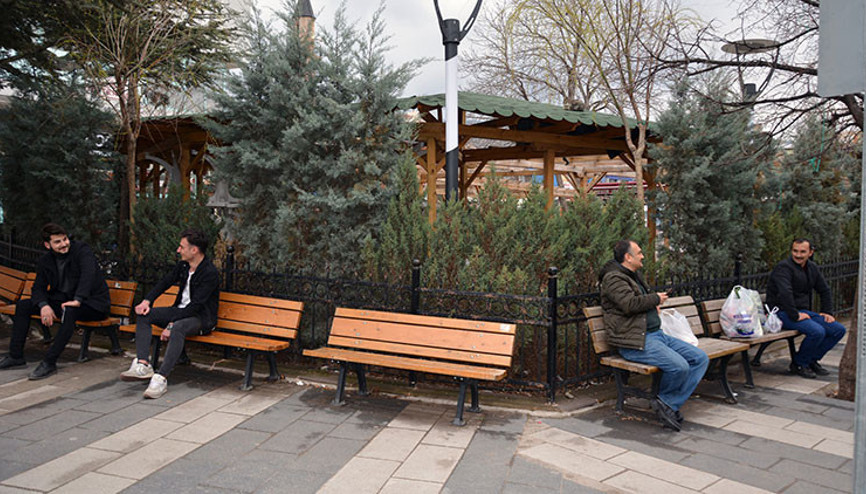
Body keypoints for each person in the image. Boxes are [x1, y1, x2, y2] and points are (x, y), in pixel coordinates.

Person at [599, 239, 709, 431]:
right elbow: (629, 304)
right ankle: (666, 404)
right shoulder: (613, 278)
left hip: (656, 335)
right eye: (639, 253)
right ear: (628, 257)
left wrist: (654, 304)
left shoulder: (632, 275)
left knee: (700, 358)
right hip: (636, 341)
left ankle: (667, 403)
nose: (642, 256)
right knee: (679, 366)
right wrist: (655, 298)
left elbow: (639, 302)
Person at [0, 223, 110, 379]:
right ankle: (15, 356)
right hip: (64, 301)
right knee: (24, 305)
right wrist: (43, 305)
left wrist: (78, 299)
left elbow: (88, 275)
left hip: (92, 303)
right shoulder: (46, 260)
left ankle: (49, 362)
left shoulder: (81, 251)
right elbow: (38, 288)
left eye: (65, 239)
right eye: (57, 242)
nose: (64, 244)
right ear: (47, 245)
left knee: (70, 311)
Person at [121, 229, 219, 399]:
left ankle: (161, 378)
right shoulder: (183, 266)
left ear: (194, 250)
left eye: (182, 247)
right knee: (145, 315)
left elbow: (195, 306)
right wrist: (147, 301)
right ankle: (143, 364)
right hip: (179, 312)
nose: (178, 250)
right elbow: (164, 283)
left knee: (179, 327)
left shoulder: (209, 273)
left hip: (200, 318)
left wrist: (171, 324)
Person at [766, 238, 846, 379]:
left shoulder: (812, 268)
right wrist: (795, 315)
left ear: (810, 252)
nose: (798, 255)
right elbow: (785, 293)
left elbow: (824, 290)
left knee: (838, 330)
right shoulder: (783, 268)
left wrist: (827, 312)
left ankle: (810, 360)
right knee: (817, 332)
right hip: (782, 312)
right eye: (795, 251)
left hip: (803, 312)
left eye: (803, 251)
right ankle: (799, 364)